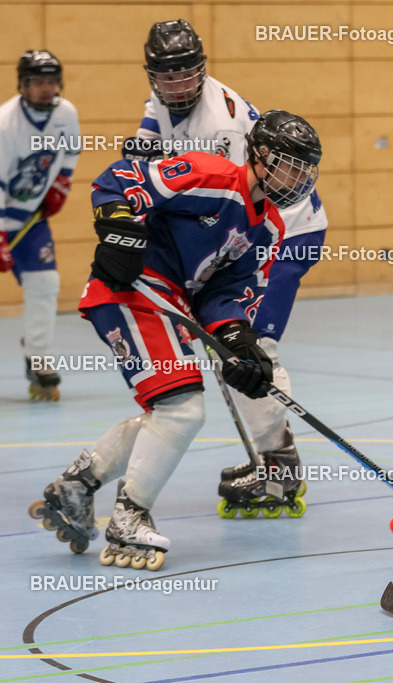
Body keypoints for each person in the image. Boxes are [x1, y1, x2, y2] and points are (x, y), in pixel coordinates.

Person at [28, 110, 322, 570]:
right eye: (291, 163)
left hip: (166, 304)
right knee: (181, 407)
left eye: (307, 168)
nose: (301, 177)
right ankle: (129, 517)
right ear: (261, 157)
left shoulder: (270, 229)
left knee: (170, 411)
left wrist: (239, 342)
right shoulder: (210, 175)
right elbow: (120, 178)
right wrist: (117, 223)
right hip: (131, 287)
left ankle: (77, 487)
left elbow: (228, 295)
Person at [132, 19, 327, 514]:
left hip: (281, 230)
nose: (176, 85)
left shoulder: (218, 127)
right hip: (243, 230)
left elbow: (240, 199)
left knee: (251, 349)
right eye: (166, 75)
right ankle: (268, 458)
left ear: (202, 70)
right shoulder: (161, 103)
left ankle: (280, 469)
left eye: (186, 73)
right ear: (152, 75)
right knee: (231, 356)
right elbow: (147, 158)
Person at [0, 50, 79, 401]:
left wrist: (61, 183)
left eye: (50, 81)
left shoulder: (66, 114)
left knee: (46, 284)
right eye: (36, 82)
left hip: (30, 222)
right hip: (3, 219)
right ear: (22, 85)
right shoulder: (5, 124)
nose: (45, 89)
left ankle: (38, 356)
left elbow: (70, 153)